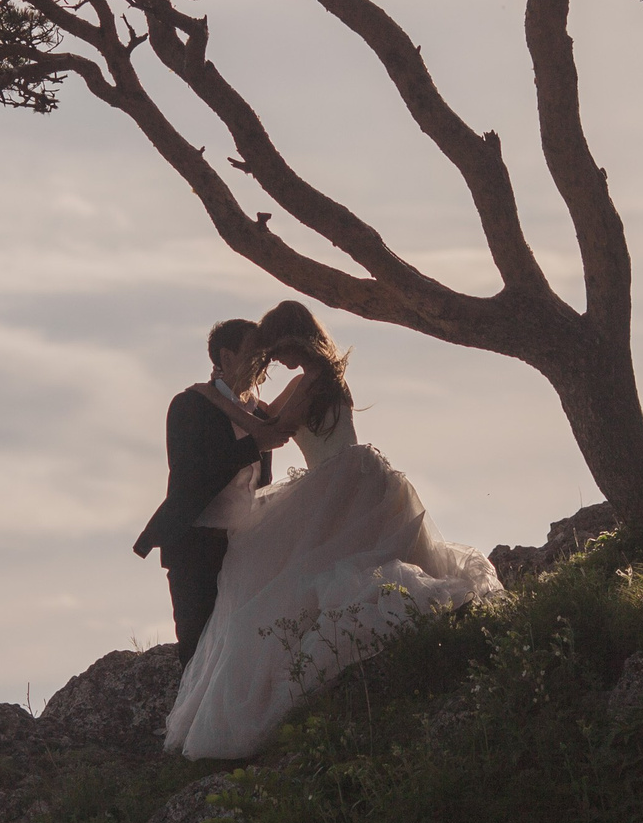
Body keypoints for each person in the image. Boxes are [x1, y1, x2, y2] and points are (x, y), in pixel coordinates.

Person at [164, 301, 502, 760]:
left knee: (311, 574)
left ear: (293, 340)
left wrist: (215, 398)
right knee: (329, 566)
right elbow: (264, 418)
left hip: (340, 482)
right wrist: (226, 400)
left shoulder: (313, 380)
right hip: (347, 480)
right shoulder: (315, 377)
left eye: (278, 350)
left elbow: (274, 429)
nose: (275, 362)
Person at [132, 319, 285, 661]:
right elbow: (191, 473)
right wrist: (253, 445)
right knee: (199, 652)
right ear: (227, 357)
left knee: (245, 652)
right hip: (196, 550)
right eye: (256, 353)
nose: (266, 362)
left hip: (244, 550)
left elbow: (261, 482)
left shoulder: (260, 413)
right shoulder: (190, 405)